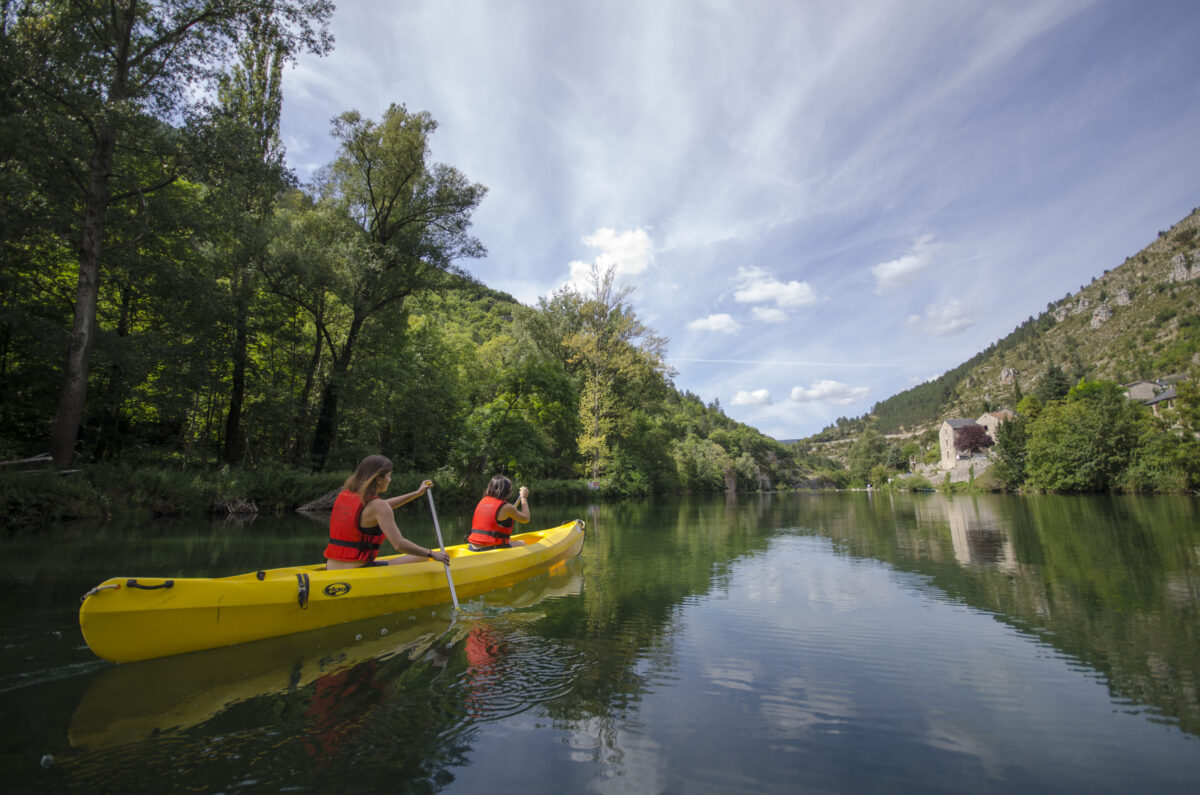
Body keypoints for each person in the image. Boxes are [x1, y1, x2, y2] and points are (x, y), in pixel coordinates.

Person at [325, 455, 451, 569]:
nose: (390, 479)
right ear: (379, 479)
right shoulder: (378, 506)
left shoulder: (345, 496)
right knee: (422, 557)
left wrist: (417, 493)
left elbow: (382, 506)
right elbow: (399, 544)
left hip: (331, 567)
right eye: (389, 476)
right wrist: (431, 553)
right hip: (358, 572)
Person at [466, 475, 531, 551]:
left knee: (509, 541)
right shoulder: (507, 507)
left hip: (472, 547)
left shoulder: (482, 501)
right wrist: (523, 497)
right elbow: (526, 518)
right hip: (489, 549)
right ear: (507, 492)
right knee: (522, 543)